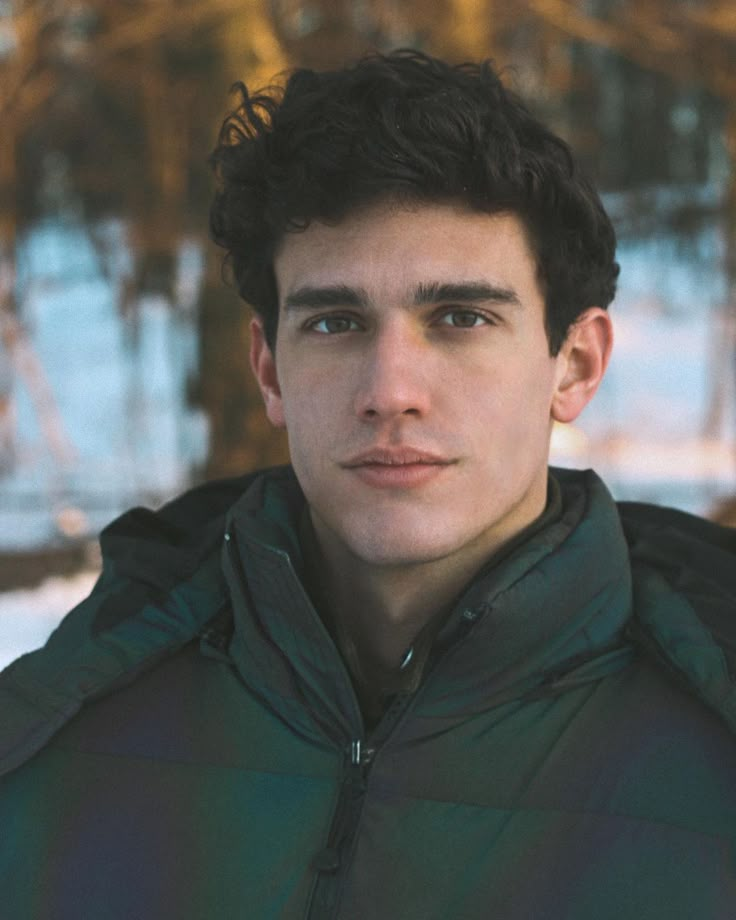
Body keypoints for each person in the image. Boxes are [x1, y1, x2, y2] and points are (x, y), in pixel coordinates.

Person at [2, 50, 736, 920]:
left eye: (461, 318)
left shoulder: (708, 762)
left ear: (573, 364)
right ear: (270, 371)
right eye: (336, 322)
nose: (390, 390)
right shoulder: (59, 748)